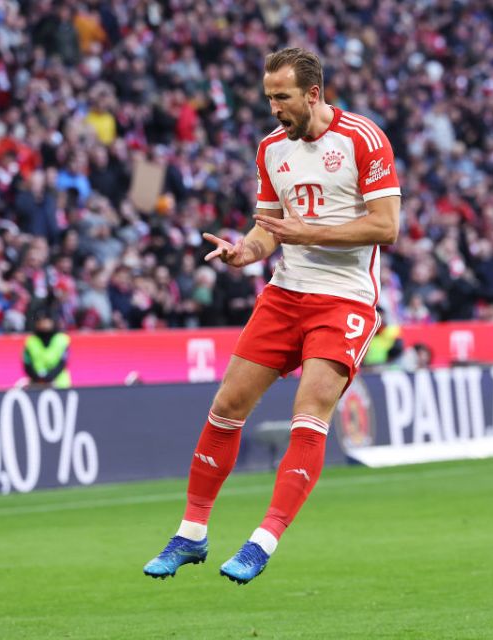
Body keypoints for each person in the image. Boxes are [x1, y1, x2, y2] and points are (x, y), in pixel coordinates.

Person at [143, 47, 401, 584]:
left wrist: (309, 233)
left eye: (281, 98)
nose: (274, 108)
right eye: (268, 98)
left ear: (313, 94)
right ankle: (191, 534)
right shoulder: (269, 150)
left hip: (345, 299)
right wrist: (244, 251)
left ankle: (263, 540)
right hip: (286, 293)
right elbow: (269, 228)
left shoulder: (363, 139)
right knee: (227, 405)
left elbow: (385, 227)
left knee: (310, 411)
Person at [22, 305, 72, 388]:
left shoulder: (62, 339)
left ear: (52, 321)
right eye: (40, 320)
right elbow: (27, 364)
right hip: (36, 383)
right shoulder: (31, 341)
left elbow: (62, 363)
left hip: (60, 384)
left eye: (46, 320)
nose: (43, 323)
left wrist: (49, 378)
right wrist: (39, 379)